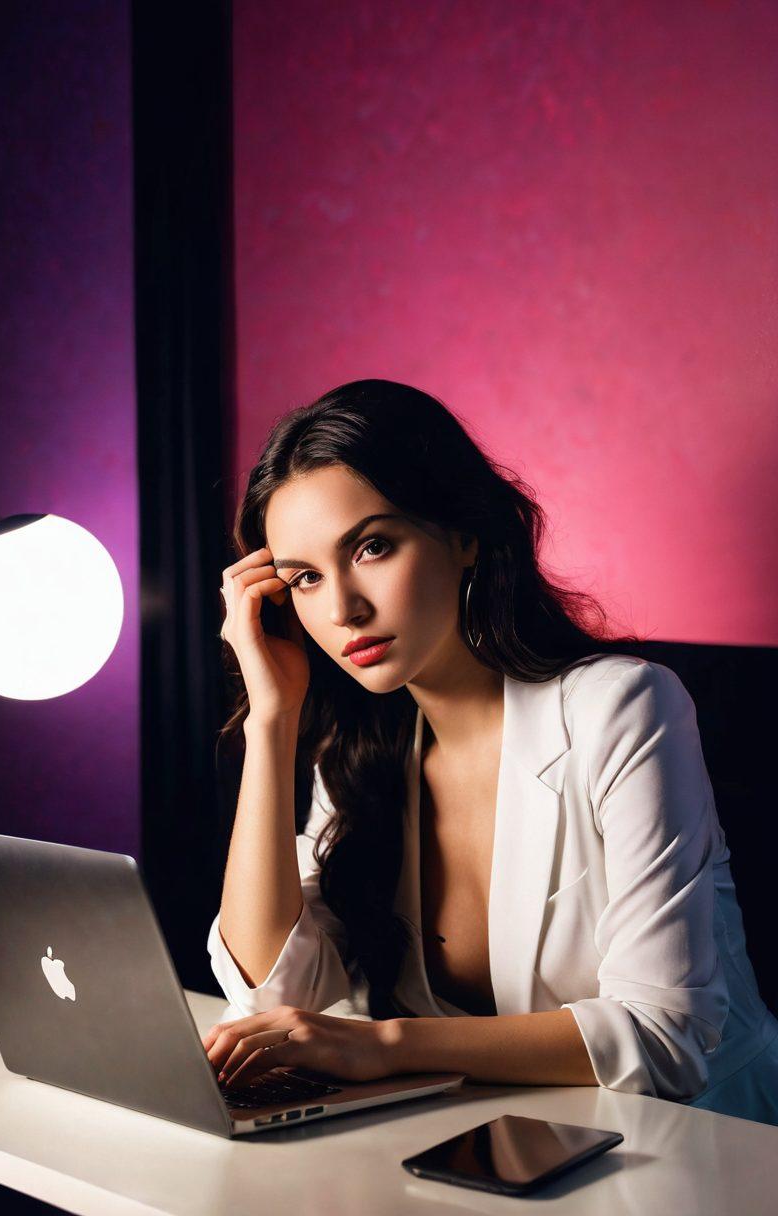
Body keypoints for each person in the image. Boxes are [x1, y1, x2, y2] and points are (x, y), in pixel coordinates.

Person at [202, 378, 778, 1127]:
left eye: (372, 547)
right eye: (305, 578)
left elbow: (666, 1036)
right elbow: (270, 996)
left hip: (708, 1144)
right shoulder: (364, 754)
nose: (342, 608)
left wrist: (388, 1045)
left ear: (464, 535)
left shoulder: (623, 707)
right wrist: (270, 722)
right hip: (498, 1144)